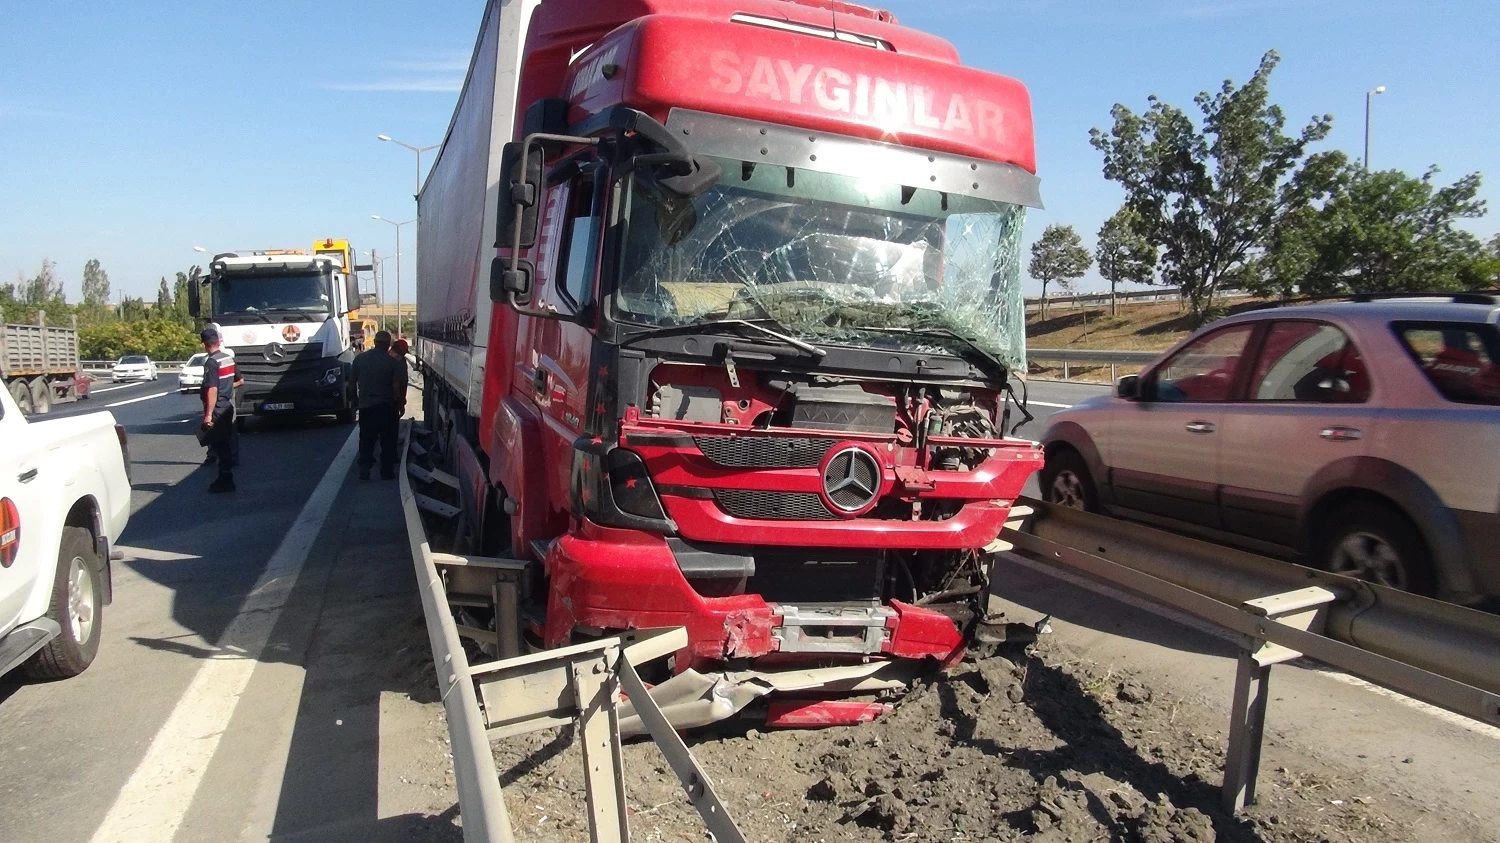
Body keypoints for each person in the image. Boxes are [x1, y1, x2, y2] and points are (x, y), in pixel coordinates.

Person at [351, 330, 407, 481]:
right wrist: (400, 404)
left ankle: (364, 467)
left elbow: (351, 383)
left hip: (366, 407)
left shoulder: (360, 359)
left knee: (366, 439)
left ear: (375, 342)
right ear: (388, 344)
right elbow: (397, 386)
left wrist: (354, 401)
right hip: (386, 407)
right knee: (388, 441)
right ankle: (386, 472)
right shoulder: (392, 362)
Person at [198, 327, 243, 493]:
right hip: (228, 406)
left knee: (220, 444)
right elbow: (240, 381)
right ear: (217, 341)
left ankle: (225, 479)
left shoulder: (212, 362)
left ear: (204, 344)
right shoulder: (228, 359)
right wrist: (227, 389)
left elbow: (212, 389)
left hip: (217, 408)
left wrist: (208, 416)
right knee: (225, 442)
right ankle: (225, 476)